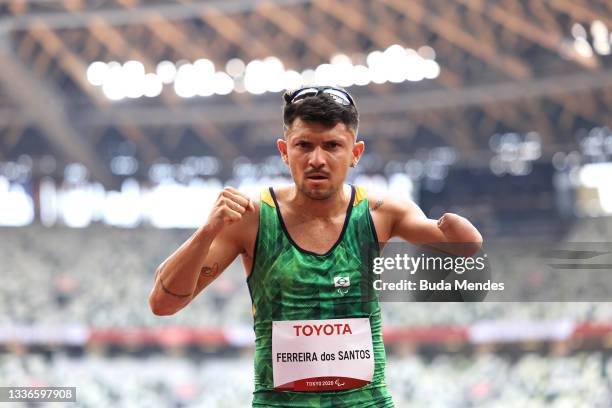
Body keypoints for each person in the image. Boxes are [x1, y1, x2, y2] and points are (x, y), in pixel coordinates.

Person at [148, 86, 483, 407]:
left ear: (355, 153)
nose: (317, 159)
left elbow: (459, 245)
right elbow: (163, 303)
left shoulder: (382, 214)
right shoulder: (253, 218)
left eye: (332, 146)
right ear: (284, 151)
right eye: (304, 145)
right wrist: (206, 231)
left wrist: (457, 234)